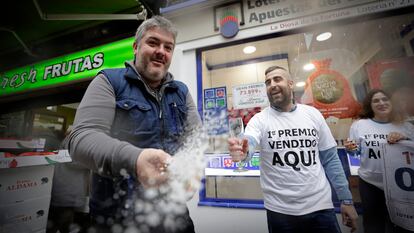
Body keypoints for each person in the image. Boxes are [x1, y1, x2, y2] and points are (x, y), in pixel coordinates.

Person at [68, 16, 201, 233]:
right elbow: (81, 138)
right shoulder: (109, 81)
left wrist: (192, 170)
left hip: (174, 217)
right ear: (136, 46)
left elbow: (196, 140)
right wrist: (135, 159)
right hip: (117, 220)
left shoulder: (181, 92)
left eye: (168, 47)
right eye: (153, 43)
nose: (161, 51)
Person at [228, 65, 358, 233]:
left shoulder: (312, 114)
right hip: (280, 212)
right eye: (267, 82)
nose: (272, 84)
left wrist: (346, 200)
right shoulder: (259, 120)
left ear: (290, 83)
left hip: (320, 207)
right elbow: (249, 142)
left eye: (277, 79)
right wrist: (243, 151)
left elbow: (330, 158)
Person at [345, 89, 414, 233]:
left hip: (401, 185)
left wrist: (404, 140)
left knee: (401, 224)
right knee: (373, 224)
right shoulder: (359, 125)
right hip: (369, 183)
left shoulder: (406, 127)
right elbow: (355, 153)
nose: (381, 103)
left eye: (385, 99)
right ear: (370, 105)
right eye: (376, 100)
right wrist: (351, 149)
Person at [47, 127, 91, 233]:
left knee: (54, 226)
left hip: (59, 194)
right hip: (69, 197)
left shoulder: (63, 146)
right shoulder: (80, 150)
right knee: (65, 226)